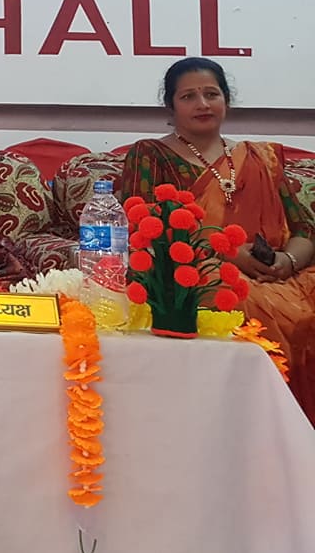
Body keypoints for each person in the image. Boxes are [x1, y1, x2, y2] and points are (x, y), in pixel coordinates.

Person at [117, 57, 315, 424]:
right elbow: (143, 228)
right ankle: (263, 427)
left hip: (281, 273)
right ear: (171, 107)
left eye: (211, 94)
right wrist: (230, 255)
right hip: (198, 271)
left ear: (226, 99)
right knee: (242, 302)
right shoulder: (150, 155)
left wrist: (286, 262)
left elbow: (304, 231)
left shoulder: (262, 158)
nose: (202, 104)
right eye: (188, 96)